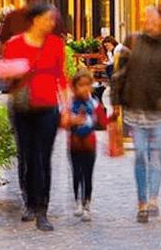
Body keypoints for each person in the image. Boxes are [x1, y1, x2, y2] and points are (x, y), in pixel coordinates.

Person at [0, 2, 67, 232]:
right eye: (48, 18)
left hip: (48, 106)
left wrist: (66, 108)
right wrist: (17, 69)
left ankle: (42, 210)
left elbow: (61, 77)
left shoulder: (56, 44)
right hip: (22, 107)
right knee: (26, 156)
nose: (52, 23)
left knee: (43, 158)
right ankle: (28, 201)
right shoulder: (16, 44)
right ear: (36, 20)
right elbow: (3, 73)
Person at [111, 5, 161, 223]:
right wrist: (116, 101)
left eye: (152, 17)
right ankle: (141, 202)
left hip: (158, 111)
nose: (148, 20)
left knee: (155, 156)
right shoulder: (132, 40)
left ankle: (153, 199)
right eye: (146, 17)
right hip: (135, 107)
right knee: (140, 154)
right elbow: (119, 73)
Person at [64, 69, 112, 221]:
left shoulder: (94, 103)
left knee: (88, 174)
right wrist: (72, 120)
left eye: (87, 85)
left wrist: (112, 118)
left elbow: (103, 122)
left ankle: (87, 203)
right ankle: (78, 201)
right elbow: (63, 121)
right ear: (74, 87)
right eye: (81, 85)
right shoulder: (70, 104)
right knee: (76, 174)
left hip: (90, 144)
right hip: (74, 144)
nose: (85, 88)